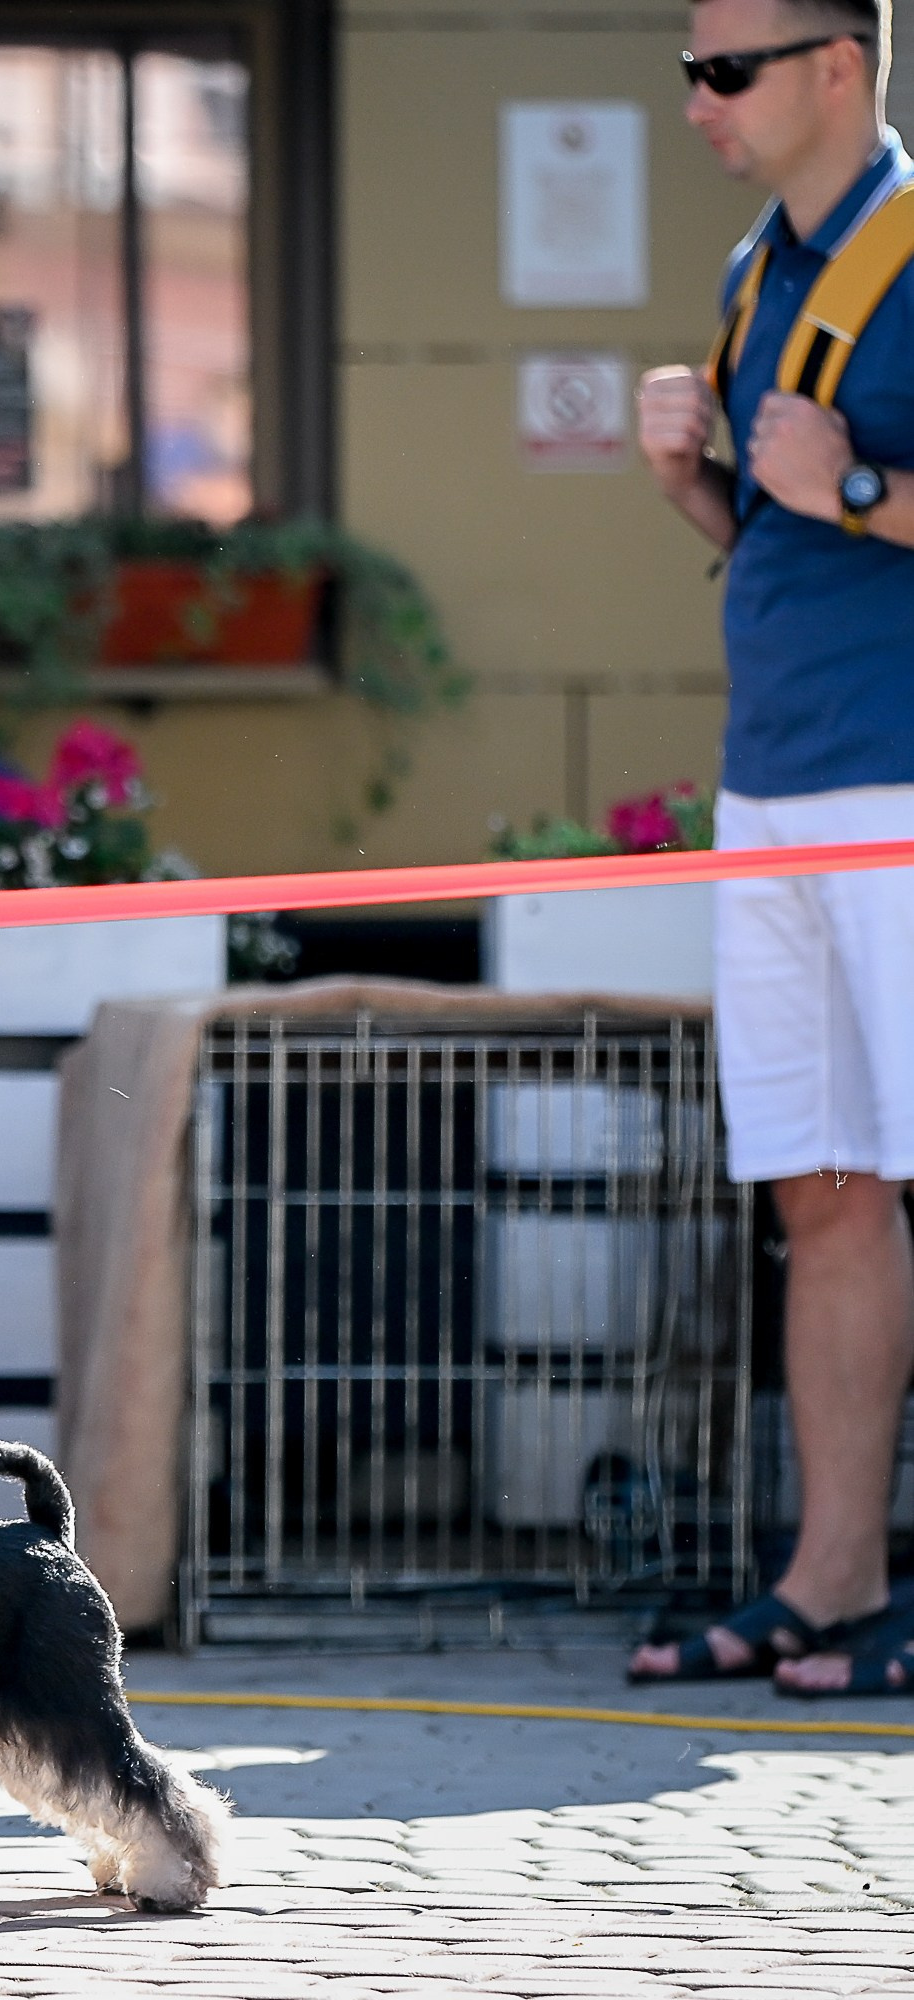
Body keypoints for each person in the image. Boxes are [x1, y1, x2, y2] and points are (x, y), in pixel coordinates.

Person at [629, 0, 914, 1696]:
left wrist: (866, 493)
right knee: (821, 1191)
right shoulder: (760, 267)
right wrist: (698, 486)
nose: (695, 104)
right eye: (686, 69)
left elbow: (846, 515)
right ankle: (831, 1577)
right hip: (777, 785)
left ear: (840, 65)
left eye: (725, 71)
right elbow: (782, 541)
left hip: (902, 789)